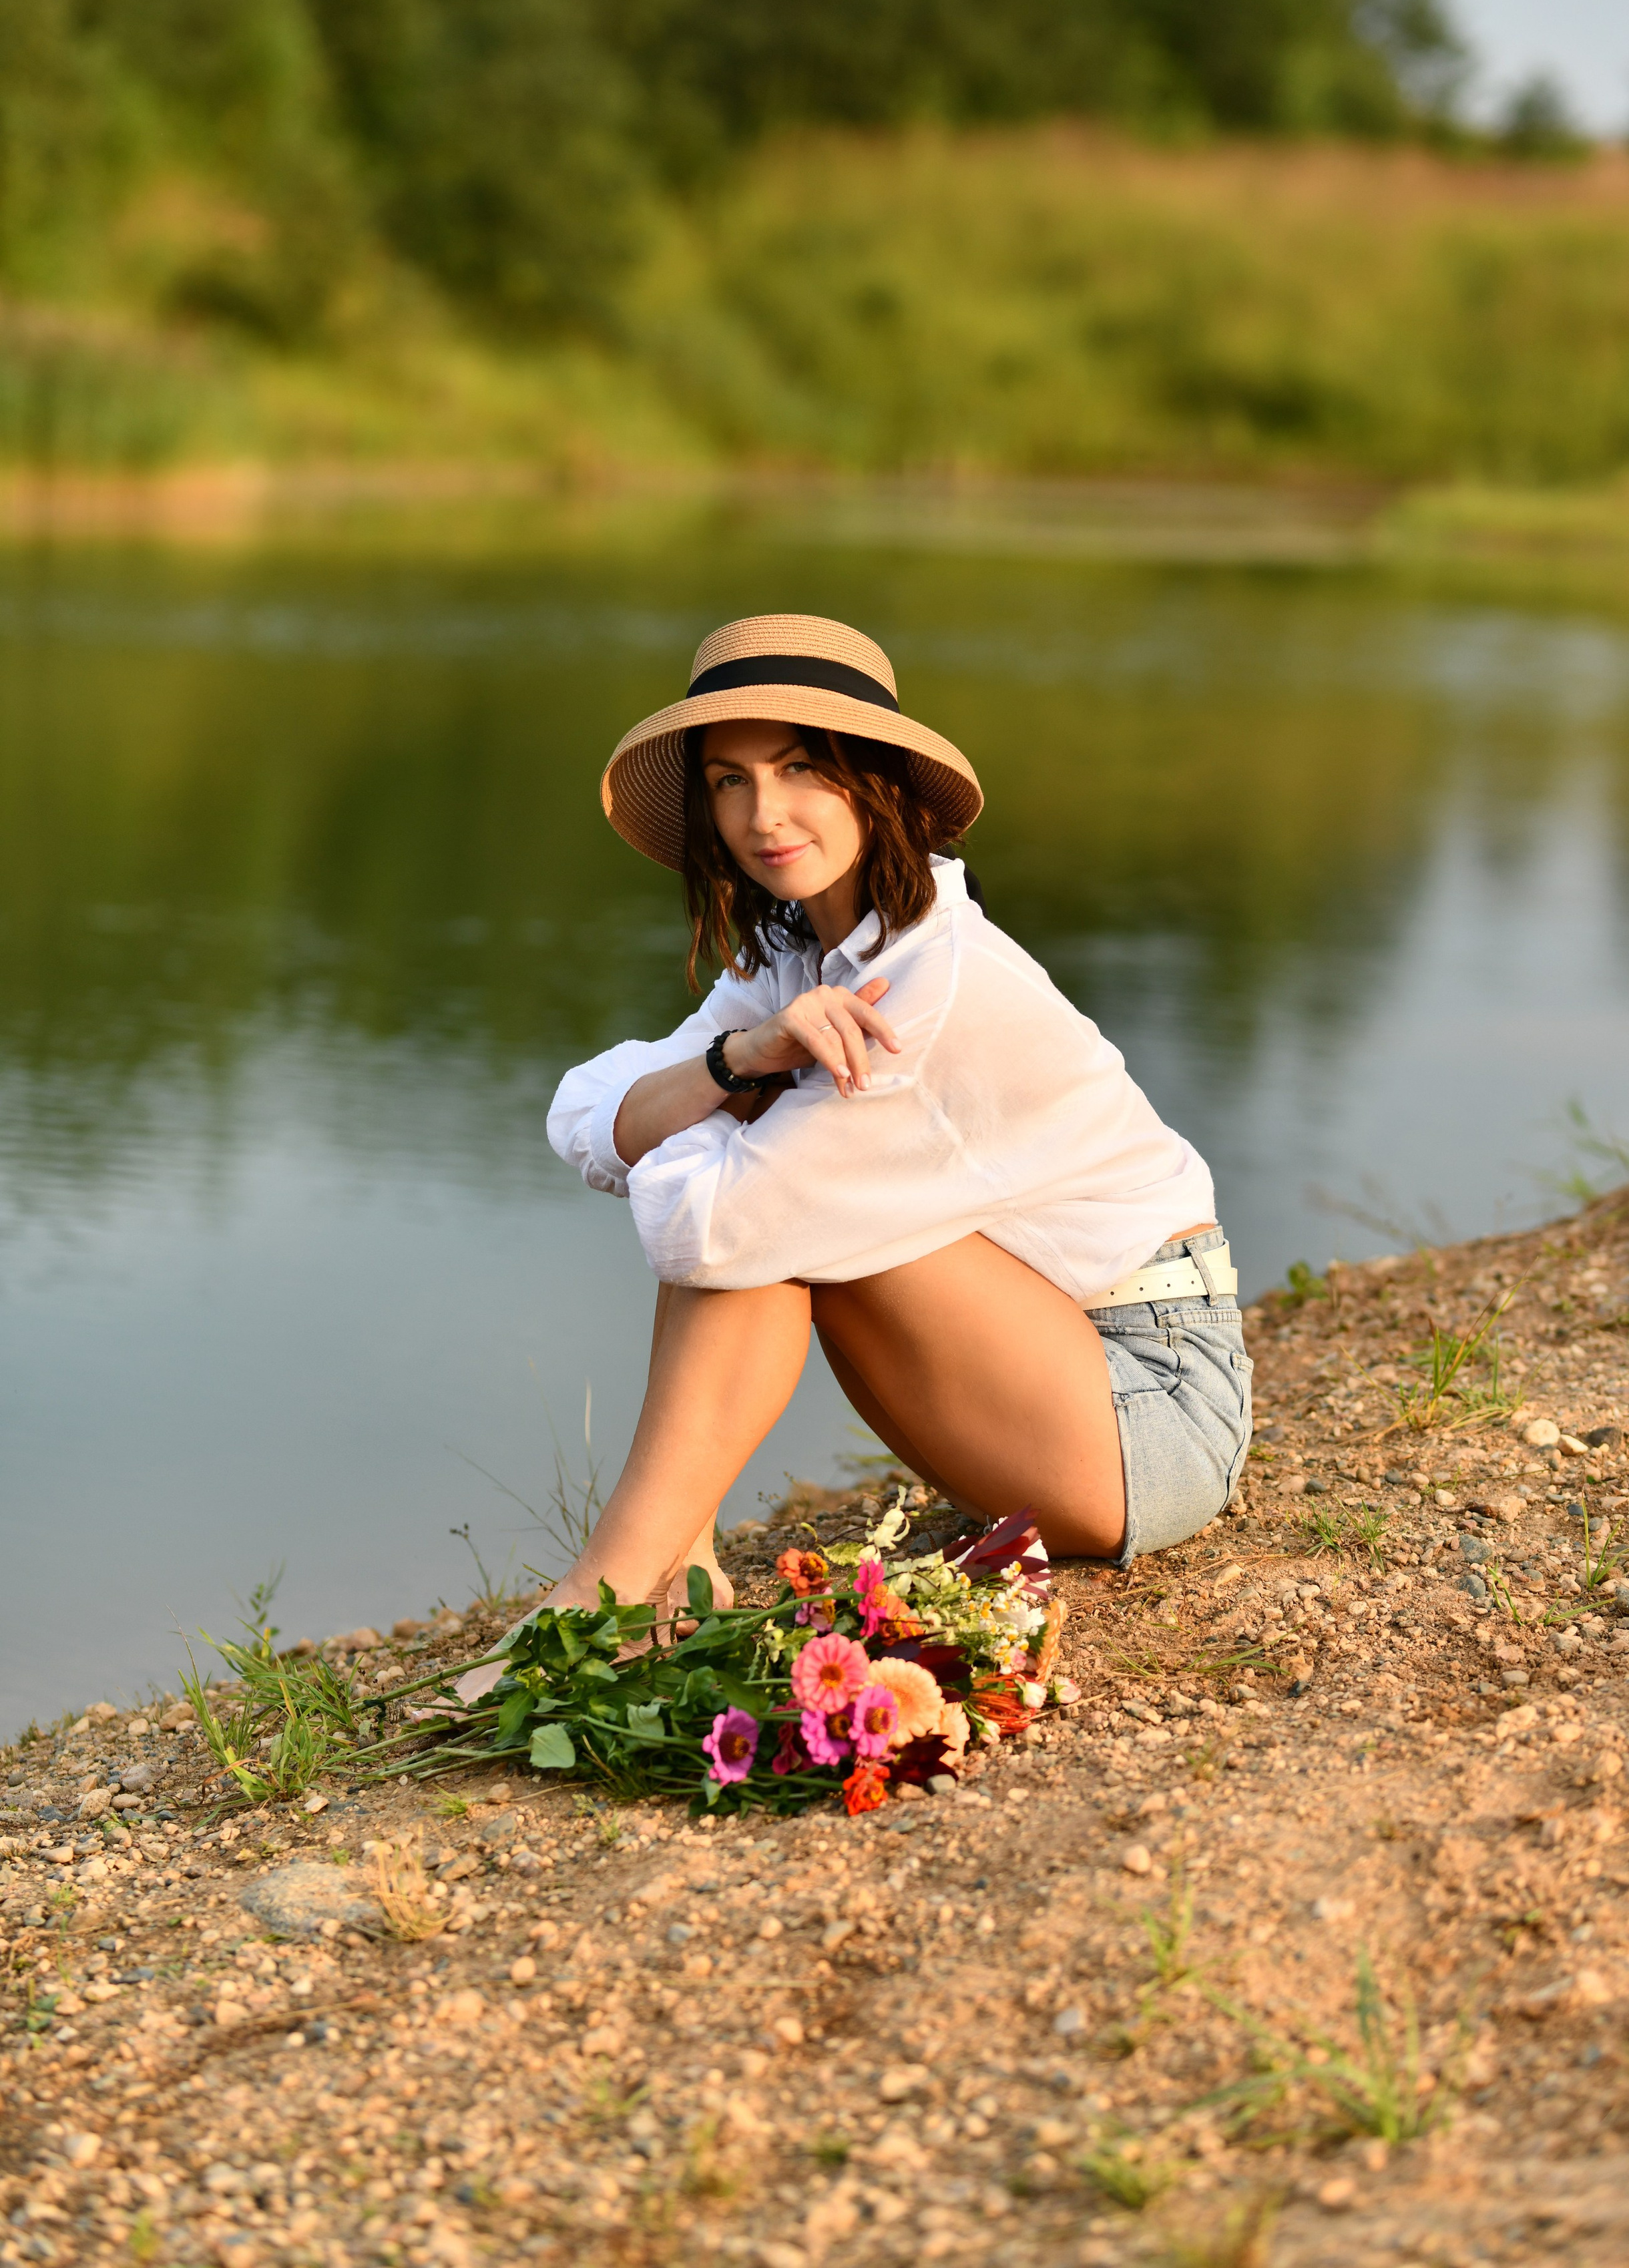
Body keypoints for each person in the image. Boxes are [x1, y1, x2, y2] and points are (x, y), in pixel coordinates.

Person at [460, 612, 1250, 1690]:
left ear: (873, 780)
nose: (762, 814)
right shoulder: (803, 951)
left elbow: (702, 1223)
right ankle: (658, 1568)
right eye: (730, 781)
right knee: (759, 1200)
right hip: (1044, 1375)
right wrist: (740, 1062)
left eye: (799, 770)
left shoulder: (924, 985)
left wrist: (717, 1107)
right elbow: (585, 1114)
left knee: (758, 1229)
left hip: (1144, 1414)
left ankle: (607, 1591)